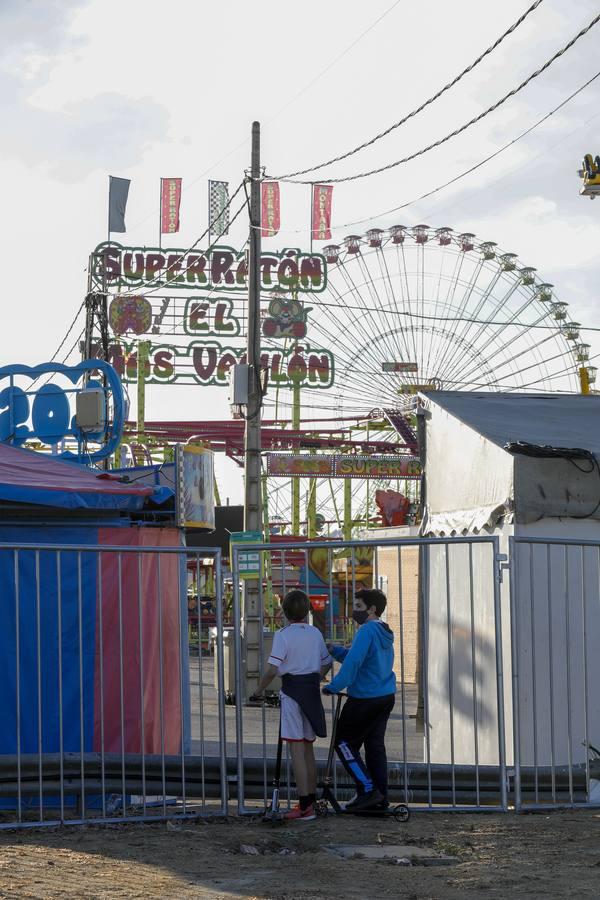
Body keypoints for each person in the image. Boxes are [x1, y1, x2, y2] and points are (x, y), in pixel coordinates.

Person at [250, 589, 332, 822]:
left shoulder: (283, 635)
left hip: (292, 693)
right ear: (307, 610)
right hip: (310, 692)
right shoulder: (315, 633)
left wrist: (258, 690)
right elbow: (326, 662)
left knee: (296, 749)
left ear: (284, 612)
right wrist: (316, 678)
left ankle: (304, 804)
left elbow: (273, 669)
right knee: (307, 748)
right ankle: (311, 801)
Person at [323, 588, 396, 812]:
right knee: (375, 748)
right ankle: (379, 797)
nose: (353, 610)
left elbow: (353, 665)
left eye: (358, 606)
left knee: (343, 744)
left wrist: (333, 687)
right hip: (384, 696)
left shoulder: (366, 630)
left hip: (364, 699)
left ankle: (366, 790)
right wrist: (335, 651)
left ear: (372, 609)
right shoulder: (384, 631)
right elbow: (359, 658)